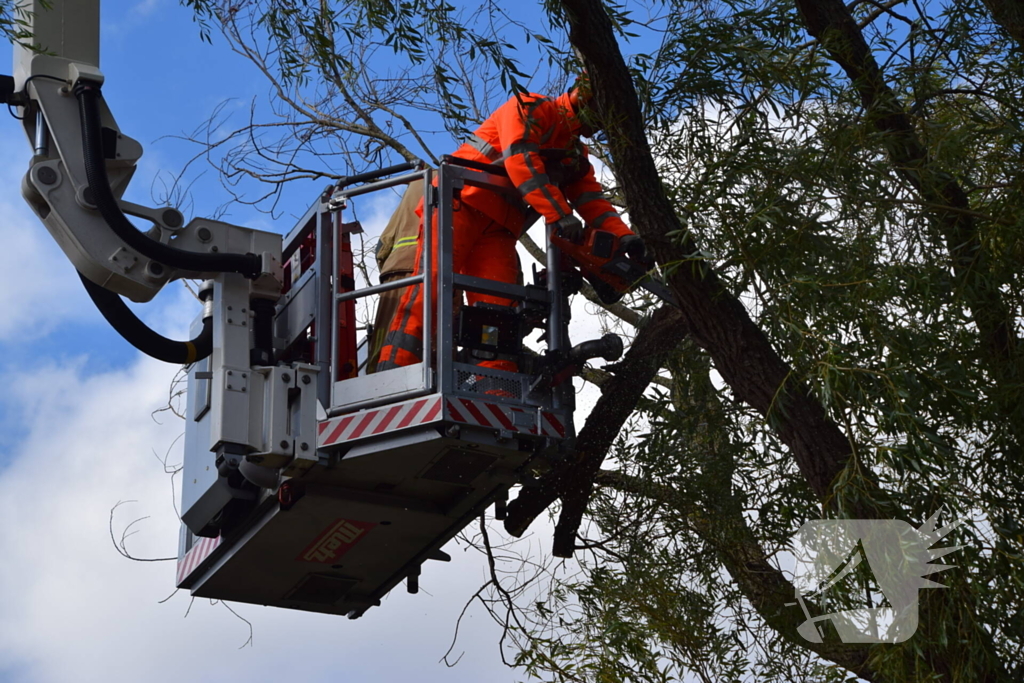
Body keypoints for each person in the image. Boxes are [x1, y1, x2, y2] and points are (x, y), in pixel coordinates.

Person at [376, 77, 646, 374]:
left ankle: (495, 380)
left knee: (497, 310)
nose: (604, 126)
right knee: (434, 286)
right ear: (587, 99)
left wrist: (625, 238)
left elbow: (594, 202)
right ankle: (395, 371)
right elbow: (521, 159)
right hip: (461, 203)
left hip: (499, 230)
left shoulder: (574, 156)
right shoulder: (531, 108)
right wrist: (558, 212)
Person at [367, 179, 424, 373]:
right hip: (443, 275)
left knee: (387, 334)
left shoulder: (418, 184)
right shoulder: (467, 183)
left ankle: (378, 380)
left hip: (398, 272)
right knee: (435, 338)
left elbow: (382, 248)